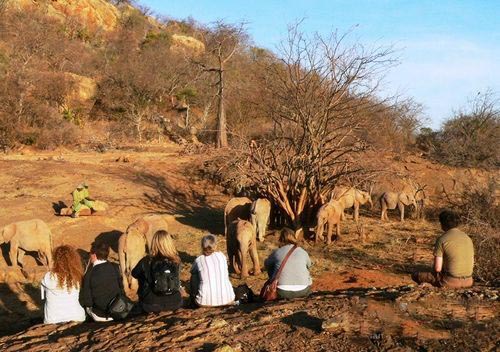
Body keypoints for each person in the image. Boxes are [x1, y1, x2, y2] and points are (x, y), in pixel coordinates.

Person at [412, 210, 474, 288]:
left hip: (450, 282)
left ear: (442, 224)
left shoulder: (442, 239)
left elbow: (437, 268)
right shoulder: (468, 238)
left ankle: (430, 287)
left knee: (416, 275)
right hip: (469, 281)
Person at [131, 230, 183, 313]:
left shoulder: (146, 260)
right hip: (176, 302)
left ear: (154, 243)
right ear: (169, 243)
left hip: (151, 304)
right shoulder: (176, 260)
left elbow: (134, 274)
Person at [40, 245, 86, 324]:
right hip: (77, 317)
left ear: (55, 259)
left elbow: (42, 296)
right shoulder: (77, 276)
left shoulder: (49, 276)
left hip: (53, 319)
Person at [79, 241, 123, 322]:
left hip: (100, 315)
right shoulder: (115, 267)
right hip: (118, 311)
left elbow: (88, 301)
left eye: (90, 253)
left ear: (94, 255)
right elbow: (121, 287)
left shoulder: (89, 273)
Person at [264, 228, 312, 299]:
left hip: (282, 291)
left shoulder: (277, 252)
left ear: (281, 239)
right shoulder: (303, 252)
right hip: (304, 290)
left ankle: (275, 282)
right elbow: (309, 265)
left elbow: (267, 264)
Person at [190, 234, 235, 307]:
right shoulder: (222, 256)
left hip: (204, 302)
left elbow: (192, 272)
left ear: (202, 246)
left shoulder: (199, 260)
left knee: (194, 275)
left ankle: (193, 300)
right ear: (215, 246)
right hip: (229, 299)